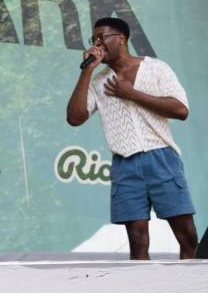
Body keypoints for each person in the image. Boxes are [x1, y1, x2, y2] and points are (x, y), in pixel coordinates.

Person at [66, 17, 197, 259]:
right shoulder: (97, 81)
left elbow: (181, 110)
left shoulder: (157, 68)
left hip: (162, 157)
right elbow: (75, 118)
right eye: (93, 40)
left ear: (121, 39)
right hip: (125, 164)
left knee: (187, 237)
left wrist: (132, 93)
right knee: (137, 242)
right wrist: (87, 70)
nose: (97, 44)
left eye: (101, 38)